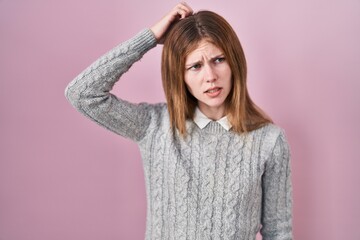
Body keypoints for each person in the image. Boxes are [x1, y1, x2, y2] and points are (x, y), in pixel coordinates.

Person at [65, 2, 293, 239]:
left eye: (218, 60)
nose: (210, 77)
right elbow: (82, 94)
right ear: (179, 75)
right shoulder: (155, 127)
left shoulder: (269, 140)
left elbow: (278, 232)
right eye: (195, 66)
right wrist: (150, 38)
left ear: (234, 61)